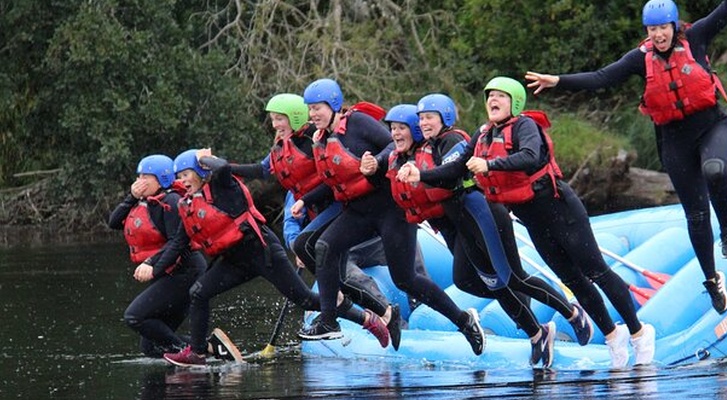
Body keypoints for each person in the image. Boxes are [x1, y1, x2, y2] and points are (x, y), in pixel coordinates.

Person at [399, 77, 655, 368]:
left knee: (596, 271)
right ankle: (612, 336)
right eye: (490, 96)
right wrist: (420, 175)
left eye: (500, 96)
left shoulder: (525, 126)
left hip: (561, 211)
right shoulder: (483, 135)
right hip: (533, 220)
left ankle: (639, 332)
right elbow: (456, 167)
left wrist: (490, 165)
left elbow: (530, 157)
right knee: (572, 280)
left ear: (515, 102)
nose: (493, 100)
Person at [525, 0, 727, 315]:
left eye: (663, 28)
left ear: (674, 26)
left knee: (715, 170)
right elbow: (601, 78)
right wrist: (558, 80)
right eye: (652, 29)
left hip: (712, 126)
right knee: (695, 216)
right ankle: (712, 280)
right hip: (675, 141)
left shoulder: (696, 37)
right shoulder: (640, 59)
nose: (658, 35)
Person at [294, 78, 485, 355]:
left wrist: (376, 161)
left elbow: (390, 145)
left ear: (334, 105)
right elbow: (336, 180)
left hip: (392, 211)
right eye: (310, 109)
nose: (313, 114)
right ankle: (329, 320)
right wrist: (305, 199)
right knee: (324, 246)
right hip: (359, 211)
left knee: (406, 280)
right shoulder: (321, 138)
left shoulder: (358, 122)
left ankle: (464, 321)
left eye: (317, 108)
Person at [157, 148, 390, 367]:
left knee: (306, 300)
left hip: (263, 252)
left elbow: (224, 168)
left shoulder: (223, 187)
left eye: (186, 174)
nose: (182, 181)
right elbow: (179, 243)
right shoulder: (187, 204)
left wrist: (205, 159)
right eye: (179, 176)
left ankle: (366, 319)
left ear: (201, 172)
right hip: (234, 260)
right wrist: (154, 267)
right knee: (198, 293)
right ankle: (197, 353)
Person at [230, 93, 403, 349]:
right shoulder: (283, 147)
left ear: (294, 117)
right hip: (324, 215)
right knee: (323, 263)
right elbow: (265, 172)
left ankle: (351, 311)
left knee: (330, 262)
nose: (275, 125)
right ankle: (374, 312)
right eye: (273, 120)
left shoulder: (317, 137)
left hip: (345, 208)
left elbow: (336, 175)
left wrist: (375, 163)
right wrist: (225, 168)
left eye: (279, 119)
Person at [107, 154, 207, 358]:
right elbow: (114, 222)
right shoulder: (145, 202)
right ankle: (209, 349)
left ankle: (191, 354)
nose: (139, 182)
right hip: (168, 273)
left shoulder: (172, 201)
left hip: (186, 273)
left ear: (162, 179)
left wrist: (150, 263)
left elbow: (177, 242)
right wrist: (131, 197)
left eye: (146, 177)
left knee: (134, 316)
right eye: (138, 176)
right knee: (151, 348)